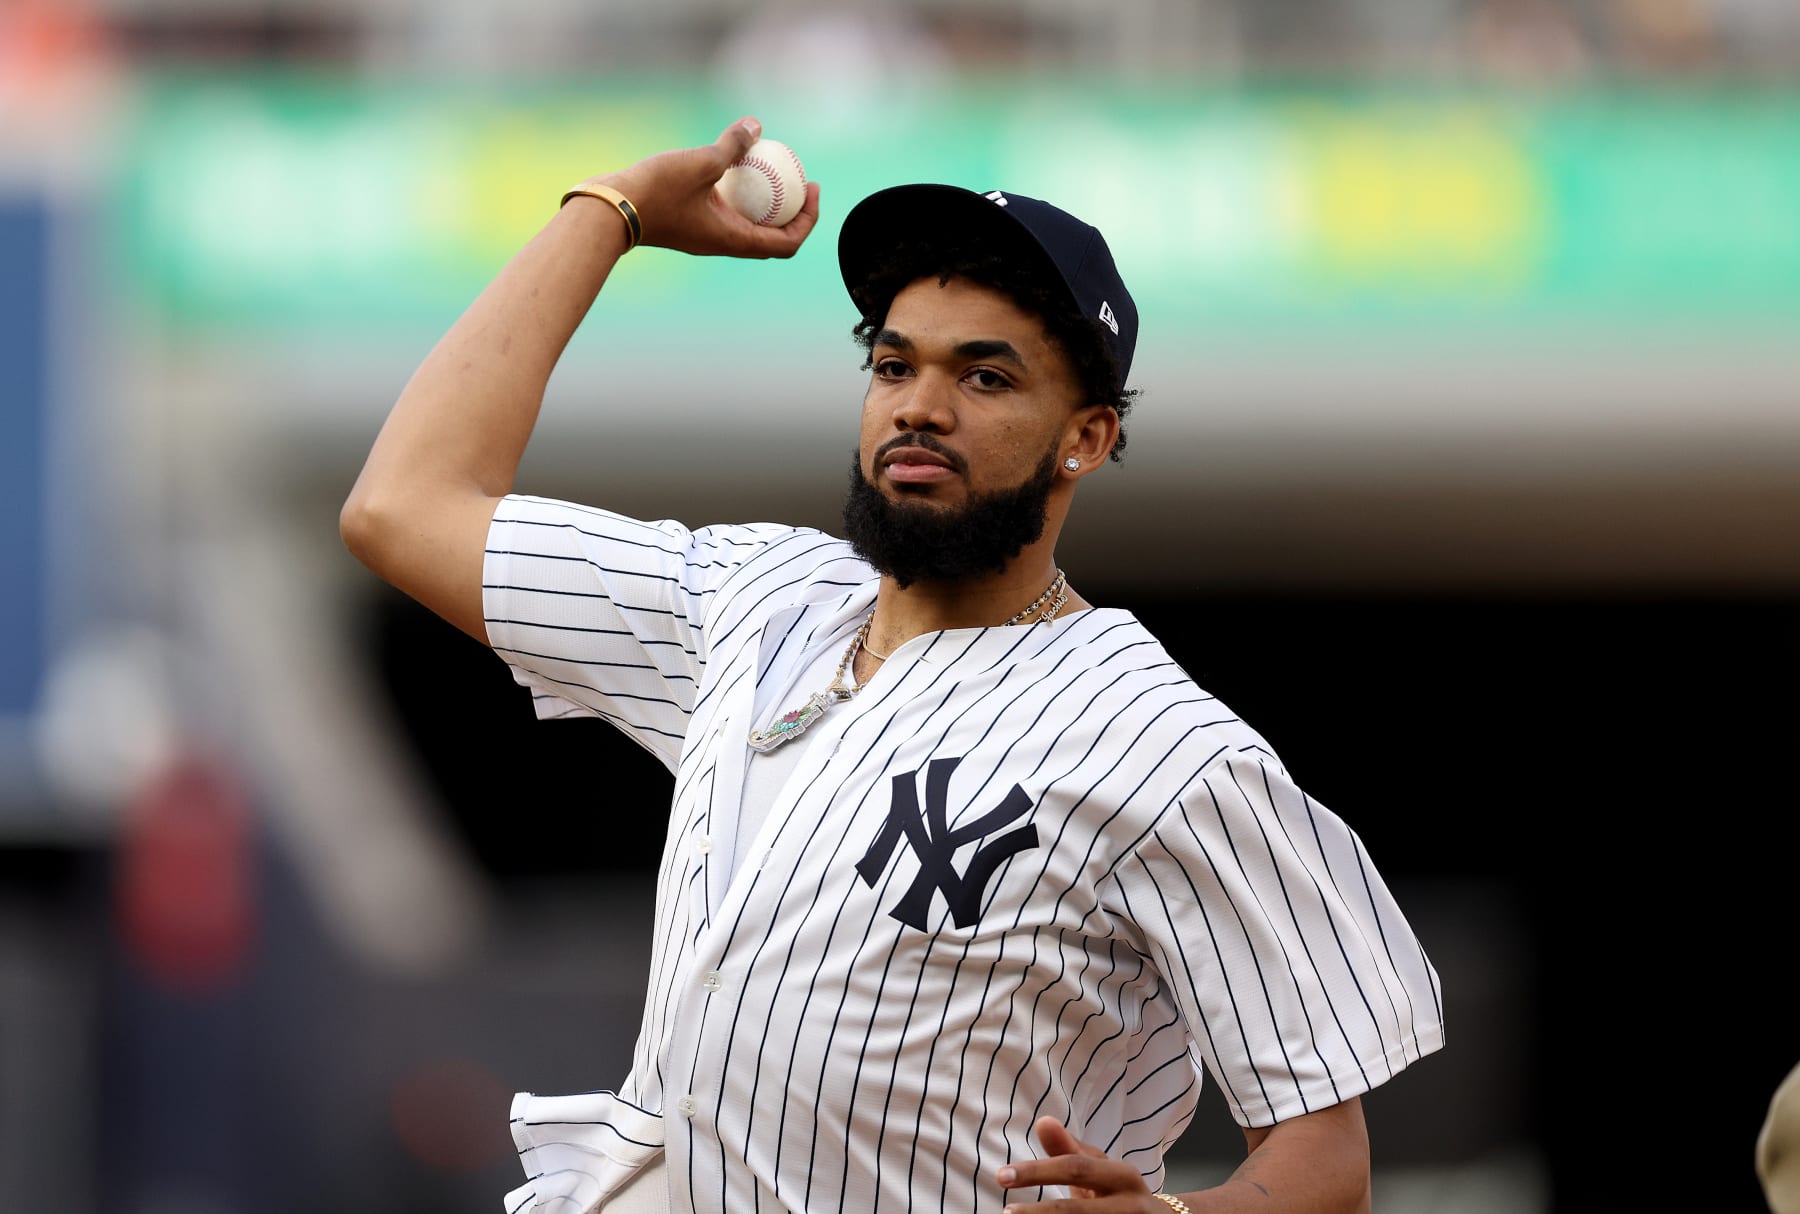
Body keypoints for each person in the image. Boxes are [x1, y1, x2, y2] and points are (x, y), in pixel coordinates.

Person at [341, 116, 1445, 1214]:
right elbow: (405, 507)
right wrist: (610, 214)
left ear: (1089, 437)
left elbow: (1326, 1156)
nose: (920, 403)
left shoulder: (1164, 747)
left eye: (987, 377)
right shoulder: (752, 601)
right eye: (893, 362)